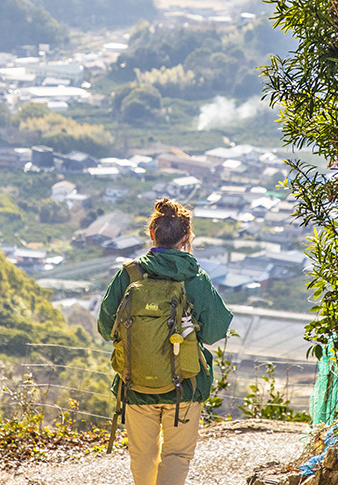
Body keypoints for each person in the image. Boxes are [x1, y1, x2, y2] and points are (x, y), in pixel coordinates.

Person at [98, 197, 233, 485]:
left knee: (142, 455)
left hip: (135, 386)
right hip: (184, 385)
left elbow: (105, 326)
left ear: (152, 234)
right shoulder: (194, 278)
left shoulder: (130, 274)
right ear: (186, 238)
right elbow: (215, 330)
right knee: (176, 455)